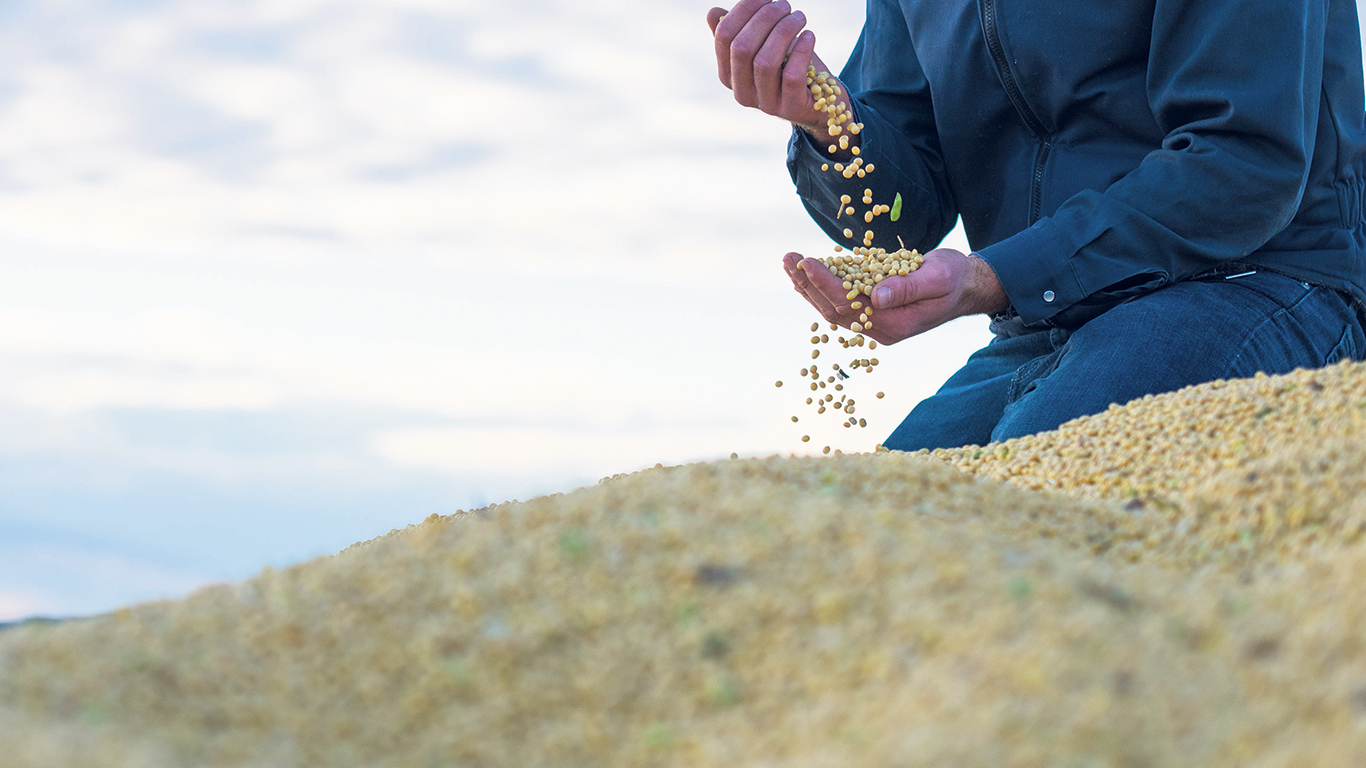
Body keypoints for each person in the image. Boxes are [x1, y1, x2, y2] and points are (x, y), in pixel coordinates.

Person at [707, 0, 1366, 450]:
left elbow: (1244, 161)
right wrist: (829, 122)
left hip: (1264, 280)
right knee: (876, 524)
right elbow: (905, 215)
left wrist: (998, 276)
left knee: (1026, 494)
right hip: (1050, 319)